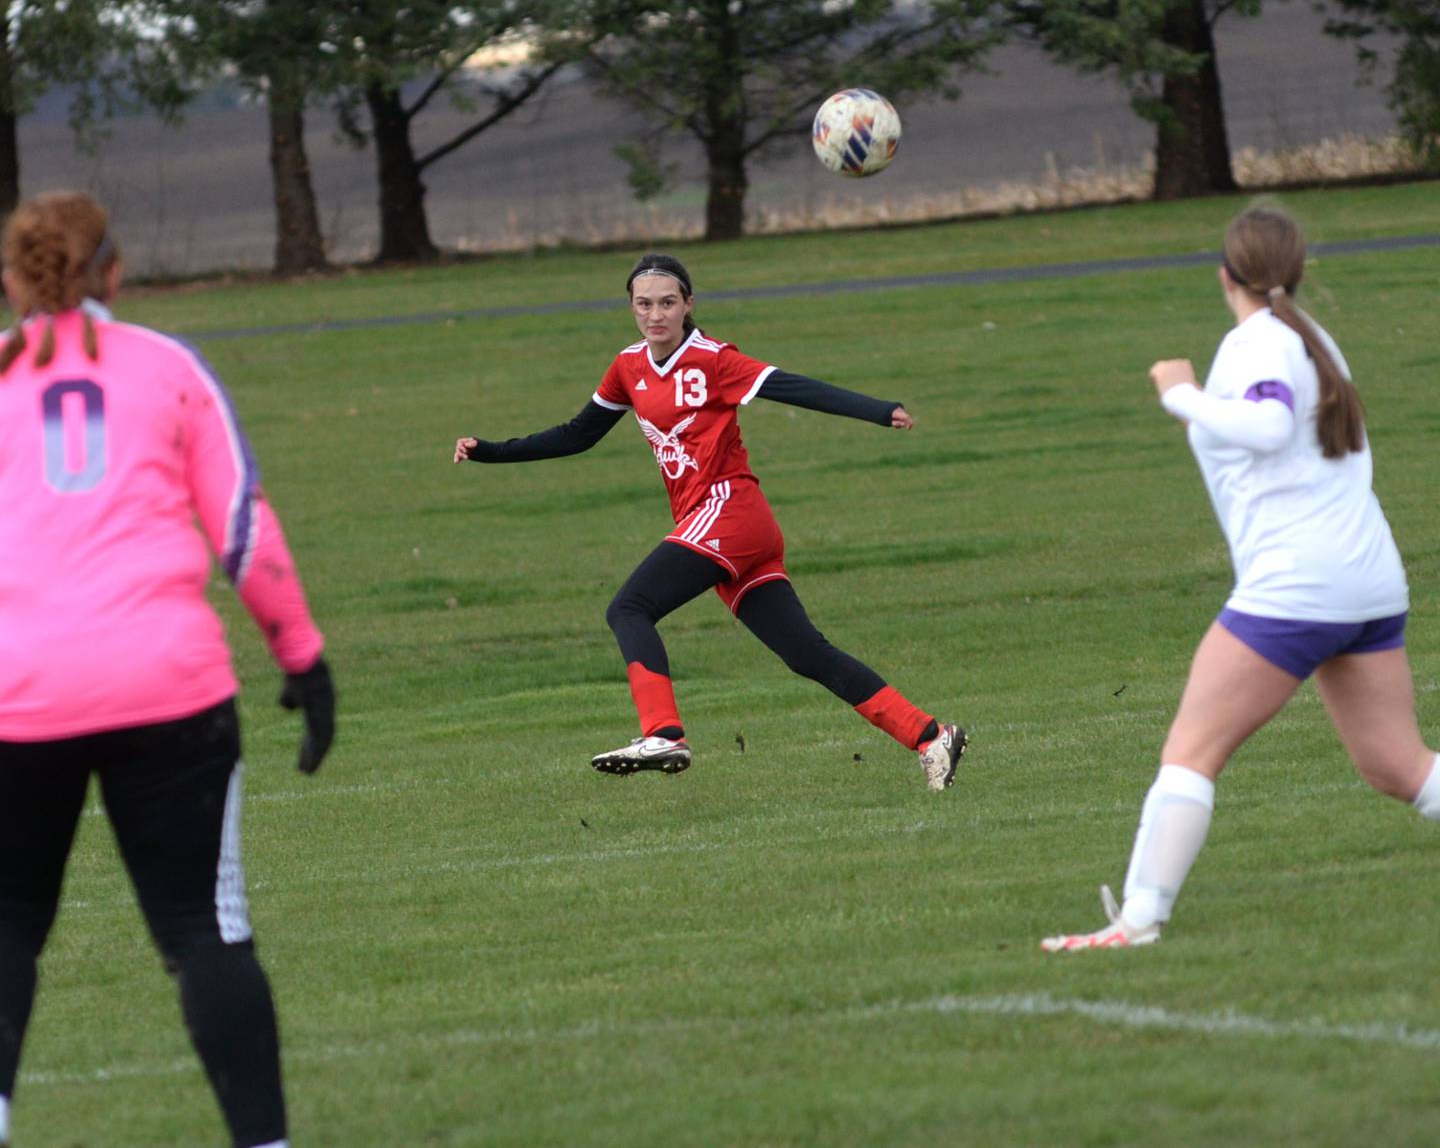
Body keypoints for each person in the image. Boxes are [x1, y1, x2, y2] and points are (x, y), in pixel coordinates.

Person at [0, 191, 336, 1148]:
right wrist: (304, 660)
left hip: (19, 694)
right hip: (168, 686)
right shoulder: (167, 365)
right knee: (204, 927)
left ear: (14, 280)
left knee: (8, 923)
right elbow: (242, 527)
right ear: (115, 270)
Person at [1042, 204, 1440, 952]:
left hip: (1298, 587)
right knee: (1398, 765)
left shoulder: (1258, 342)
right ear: (1294, 270)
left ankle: (1137, 921)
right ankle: (1138, 918)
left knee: (1191, 751)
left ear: (1225, 273)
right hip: (1370, 580)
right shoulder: (1312, 339)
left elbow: (1264, 425)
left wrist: (1178, 393)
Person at [454, 252, 964, 787]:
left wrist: (879, 410)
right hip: (726, 528)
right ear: (630, 307)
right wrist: (491, 451)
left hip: (731, 511)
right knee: (806, 654)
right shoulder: (628, 367)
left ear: (688, 305)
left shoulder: (713, 359)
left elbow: (789, 385)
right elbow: (577, 434)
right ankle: (930, 736)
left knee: (629, 608)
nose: (656, 315)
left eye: (667, 303)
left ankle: (664, 734)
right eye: (644, 304)